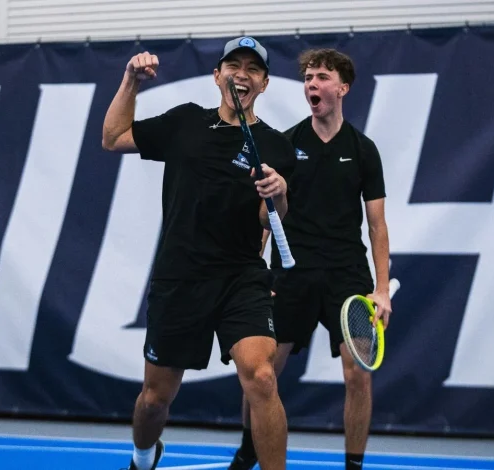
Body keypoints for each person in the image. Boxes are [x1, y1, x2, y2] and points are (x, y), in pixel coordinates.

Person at [102, 36, 296, 470]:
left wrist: (278, 195)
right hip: (181, 277)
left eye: (252, 69)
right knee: (154, 400)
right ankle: (142, 456)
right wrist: (130, 81)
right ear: (217, 76)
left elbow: (271, 222)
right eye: (233, 66)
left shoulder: (278, 148)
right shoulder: (185, 123)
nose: (241, 74)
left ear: (263, 84)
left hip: (241, 278)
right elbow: (113, 137)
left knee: (262, 377)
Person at [229, 48, 392, 470]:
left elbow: (377, 225)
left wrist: (379, 289)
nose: (312, 86)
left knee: (359, 374)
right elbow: (266, 217)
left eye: (321, 78)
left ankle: (353, 465)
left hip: (346, 276)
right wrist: (256, 272)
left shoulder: (363, 149)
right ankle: (249, 448)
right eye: (307, 79)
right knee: (261, 371)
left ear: (343, 87)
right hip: (292, 275)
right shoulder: (287, 144)